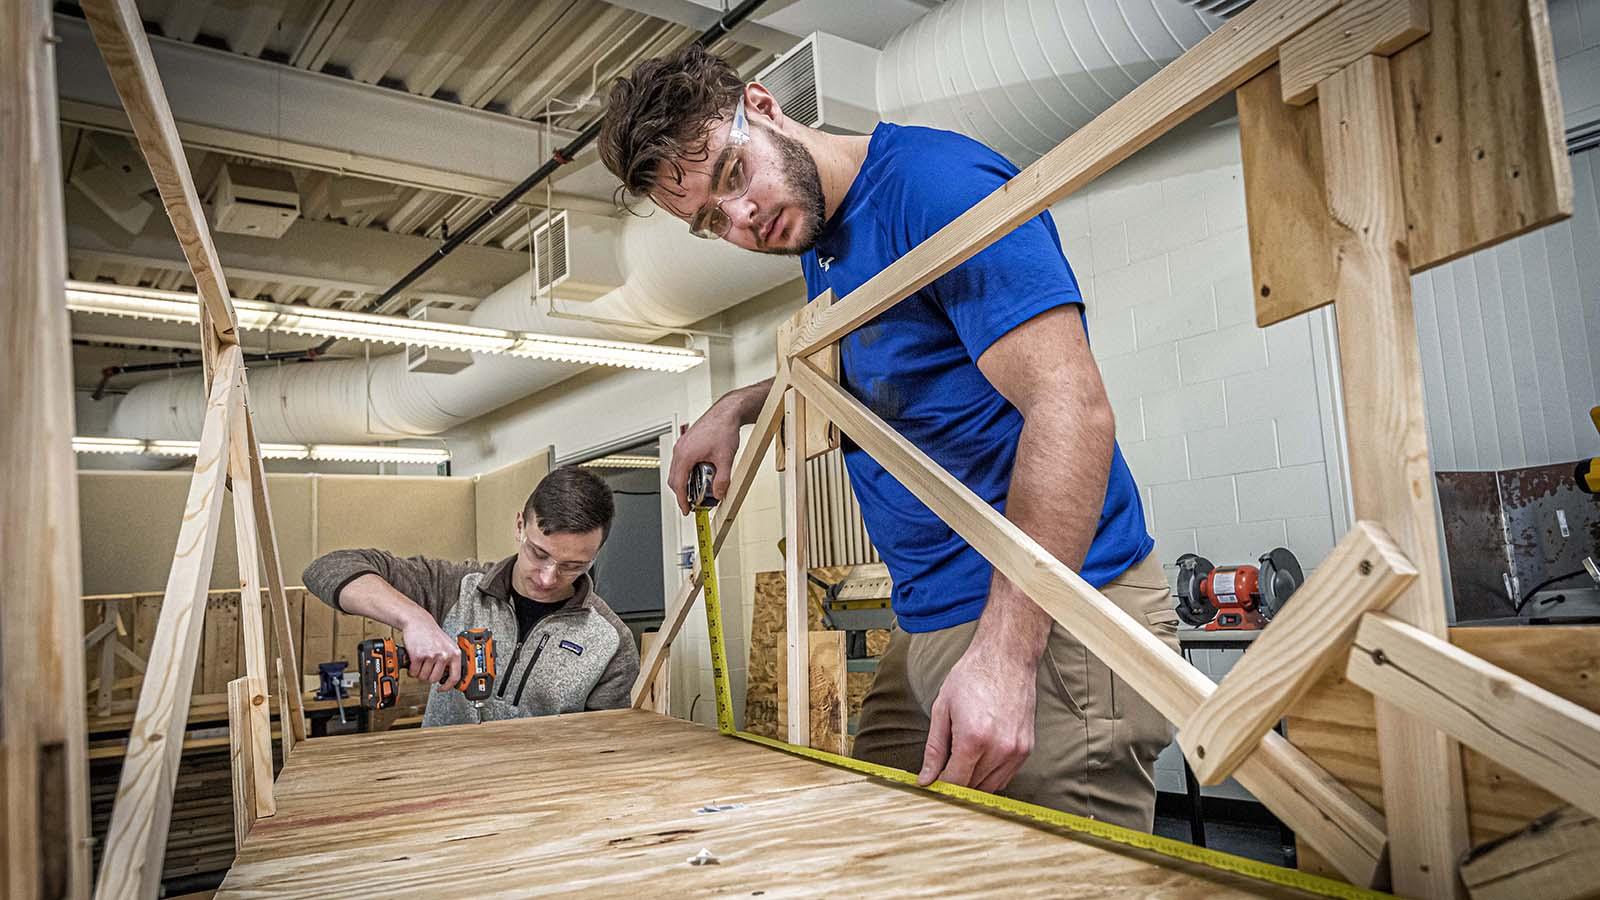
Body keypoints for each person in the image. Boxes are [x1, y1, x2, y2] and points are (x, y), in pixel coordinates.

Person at [598, 46, 1180, 830]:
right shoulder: (823, 240)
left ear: (766, 108)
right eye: (711, 220)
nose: (742, 220)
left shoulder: (932, 191)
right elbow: (890, 363)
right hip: (936, 614)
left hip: (1052, 617)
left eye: (735, 176)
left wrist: (1008, 659)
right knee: (872, 834)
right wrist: (738, 404)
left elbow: (1071, 408)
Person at [302, 466, 639, 726]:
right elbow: (328, 569)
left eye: (573, 565)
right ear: (520, 526)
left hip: (541, 801)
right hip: (441, 790)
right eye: (539, 553)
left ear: (596, 554)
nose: (549, 577)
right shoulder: (455, 588)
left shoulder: (610, 642)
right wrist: (415, 619)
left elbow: (602, 748)